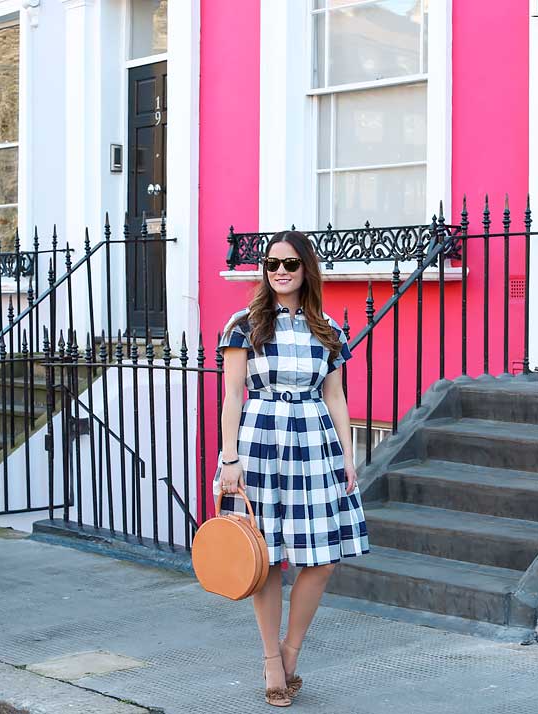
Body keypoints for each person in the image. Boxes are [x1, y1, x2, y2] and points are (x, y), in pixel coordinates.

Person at [216, 230, 369, 707]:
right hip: (260, 443)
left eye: (290, 264)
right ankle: (269, 662)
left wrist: (348, 454)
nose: (280, 271)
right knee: (266, 560)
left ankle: (290, 652)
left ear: (307, 269)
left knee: (321, 559)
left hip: (314, 441)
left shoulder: (328, 330)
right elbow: (233, 394)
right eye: (272, 263)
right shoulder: (244, 325)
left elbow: (337, 397)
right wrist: (229, 459)